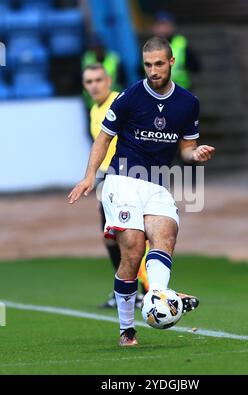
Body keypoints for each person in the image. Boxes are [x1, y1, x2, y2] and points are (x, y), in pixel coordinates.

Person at [68, 36, 215, 346]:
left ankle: (160, 296)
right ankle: (127, 330)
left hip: (158, 182)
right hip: (122, 180)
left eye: (159, 64)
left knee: (166, 234)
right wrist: (88, 176)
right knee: (133, 251)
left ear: (171, 62)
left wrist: (196, 153)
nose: (153, 70)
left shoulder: (188, 103)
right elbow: (104, 139)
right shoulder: (129, 97)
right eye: (148, 65)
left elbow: (186, 149)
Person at [82, 63, 149, 308]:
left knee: (129, 235)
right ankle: (125, 287)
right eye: (89, 81)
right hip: (107, 181)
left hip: (125, 177)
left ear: (108, 81)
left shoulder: (118, 103)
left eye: (98, 79)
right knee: (110, 238)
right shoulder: (94, 110)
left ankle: (143, 290)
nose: (94, 85)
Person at [151, 11, 201, 90]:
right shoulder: (148, 47)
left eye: (165, 25)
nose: (162, 29)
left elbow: (196, 67)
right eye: (159, 25)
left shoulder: (181, 44)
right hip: (156, 93)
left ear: (172, 27)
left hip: (180, 91)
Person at [82, 36, 126, 110]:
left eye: (99, 48)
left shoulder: (114, 59)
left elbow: (123, 79)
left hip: (113, 101)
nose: (97, 51)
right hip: (92, 103)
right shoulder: (88, 59)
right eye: (95, 48)